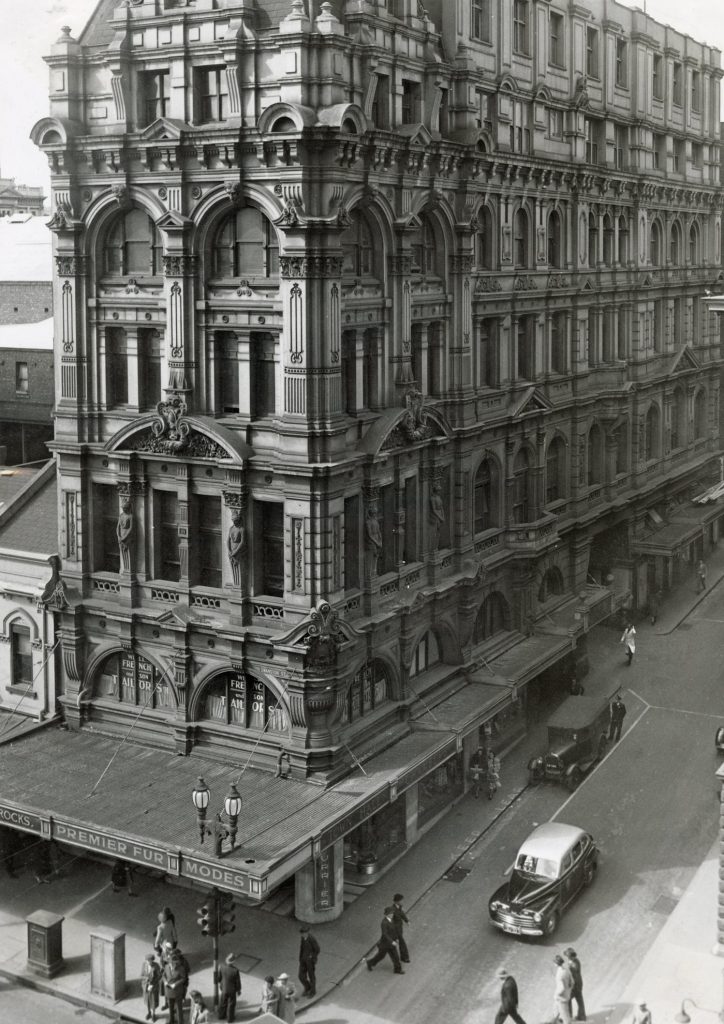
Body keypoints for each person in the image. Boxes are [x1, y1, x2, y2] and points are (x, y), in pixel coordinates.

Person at [365, 907, 404, 974]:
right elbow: (384, 934)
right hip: (385, 944)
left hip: (391, 943)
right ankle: (370, 963)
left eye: (392, 913)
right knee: (380, 956)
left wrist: (396, 938)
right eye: (390, 914)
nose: (392, 915)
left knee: (396, 957)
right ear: (386, 914)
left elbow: (394, 930)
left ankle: (397, 970)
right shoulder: (384, 923)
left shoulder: (392, 920)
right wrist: (392, 941)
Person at [217, 952, 242, 1023]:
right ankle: (230, 1019)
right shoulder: (235, 970)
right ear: (233, 962)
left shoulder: (221, 967)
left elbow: (218, 978)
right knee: (231, 1005)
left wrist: (221, 984)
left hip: (224, 989)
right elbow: (238, 982)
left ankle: (221, 1016)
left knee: (223, 1003)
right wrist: (239, 990)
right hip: (232, 990)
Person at [162, 952, 186, 1024]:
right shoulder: (166, 967)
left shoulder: (181, 968)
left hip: (177, 991)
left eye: (174, 963)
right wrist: (165, 981)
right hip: (169, 990)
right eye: (171, 963)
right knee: (170, 1007)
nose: (172, 964)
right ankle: (171, 1020)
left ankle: (180, 1021)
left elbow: (183, 978)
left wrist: (175, 984)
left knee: (179, 1008)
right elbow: (163, 976)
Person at [298, 924, 320, 997]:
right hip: (303, 960)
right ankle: (307, 987)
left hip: (310, 961)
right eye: (301, 933)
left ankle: (313, 991)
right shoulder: (303, 938)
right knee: (301, 976)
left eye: (303, 933)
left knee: (311, 976)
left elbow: (317, 949)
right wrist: (300, 958)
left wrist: (312, 956)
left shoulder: (311, 939)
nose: (302, 935)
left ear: (306, 932)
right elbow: (302, 948)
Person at [564, 948, 586, 1022]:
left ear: (571, 956)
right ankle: (582, 1015)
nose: (567, 958)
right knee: (579, 999)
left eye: (568, 956)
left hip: (576, 985)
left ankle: (570, 1016)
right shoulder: (574, 961)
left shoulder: (574, 964)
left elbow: (574, 975)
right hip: (578, 984)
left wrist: (571, 986)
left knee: (569, 998)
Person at [141, 953, 161, 1023]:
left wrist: (152, 984)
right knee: (147, 1001)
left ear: (152, 960)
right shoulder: (144, 965)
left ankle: (153, 1014)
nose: (148, 962)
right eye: (147, 961)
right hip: (146, 986)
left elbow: (159, 976)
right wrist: (146, 981)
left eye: (149, 961)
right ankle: (149, 1012)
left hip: (153, 986)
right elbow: (141, 975)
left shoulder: (156, 966)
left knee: (153, 1001)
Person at [553, 953, 573, 1024]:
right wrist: (569, 991)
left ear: (556, 963)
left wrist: (556, 995)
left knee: (565, 1017)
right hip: (567, 995)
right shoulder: (566, 969)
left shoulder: (559, 974)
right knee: (557, 1012)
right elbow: (572, 982)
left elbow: (561, 988)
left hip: (561, 998)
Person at [391, 894, 410, 964]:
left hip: (399, 928)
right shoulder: (392, 910)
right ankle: (405, 957)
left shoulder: (399, 907)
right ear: (397, 901)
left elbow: (402, 914)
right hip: (395, 929)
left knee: (397, 943)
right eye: (401, 900)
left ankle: (403, 957)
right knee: (401, 943)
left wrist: (406, 920)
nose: (402, 902)